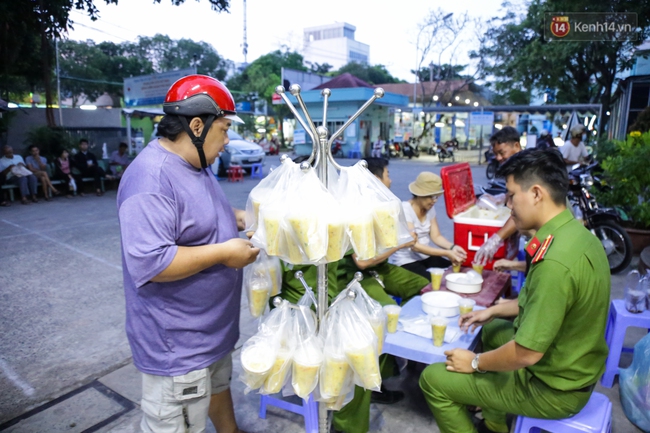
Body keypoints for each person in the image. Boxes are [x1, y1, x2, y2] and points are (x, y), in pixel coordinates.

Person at [419, 148, 611, 433]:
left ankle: (489, 409)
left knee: (433, 379)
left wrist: (475, 362)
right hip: (573, 366)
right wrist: (493, 310)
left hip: (554, 389)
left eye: (511, 196)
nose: (508, 205)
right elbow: (541, 304)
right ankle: (495, 423)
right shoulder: (576, 235)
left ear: (536, 193)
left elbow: (526, 354)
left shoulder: (554, 262)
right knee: (492, 327)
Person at [117, 74, 259, 433]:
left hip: (210, 334)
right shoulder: (150, 180)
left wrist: (242, 219)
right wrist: (225, 253)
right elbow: (153, 263)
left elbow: (203, 214)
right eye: (224, 129)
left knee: (218, 388)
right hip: (178, 347)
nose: (227, 140)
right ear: (197, 125)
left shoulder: (198, 165)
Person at [389, 171, 467, 279]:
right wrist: (447, 253)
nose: (434, 201)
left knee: (455, 272)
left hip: (426, 256)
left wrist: (453, 247)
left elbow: (436, 236)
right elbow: (414, 246)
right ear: (419, 195)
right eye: (431, 197)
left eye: (436, 197)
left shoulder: (429, 207)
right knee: (436, 282)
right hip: (406, 261)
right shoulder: (405, 210)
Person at [474, 127, 523, 266]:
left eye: (502, 153)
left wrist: (496, 239)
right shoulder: (516, 166)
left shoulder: (525, 169)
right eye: (496, 154)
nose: (498, 158)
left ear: (516, 145)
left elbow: (521, 212)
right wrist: (503, 197)